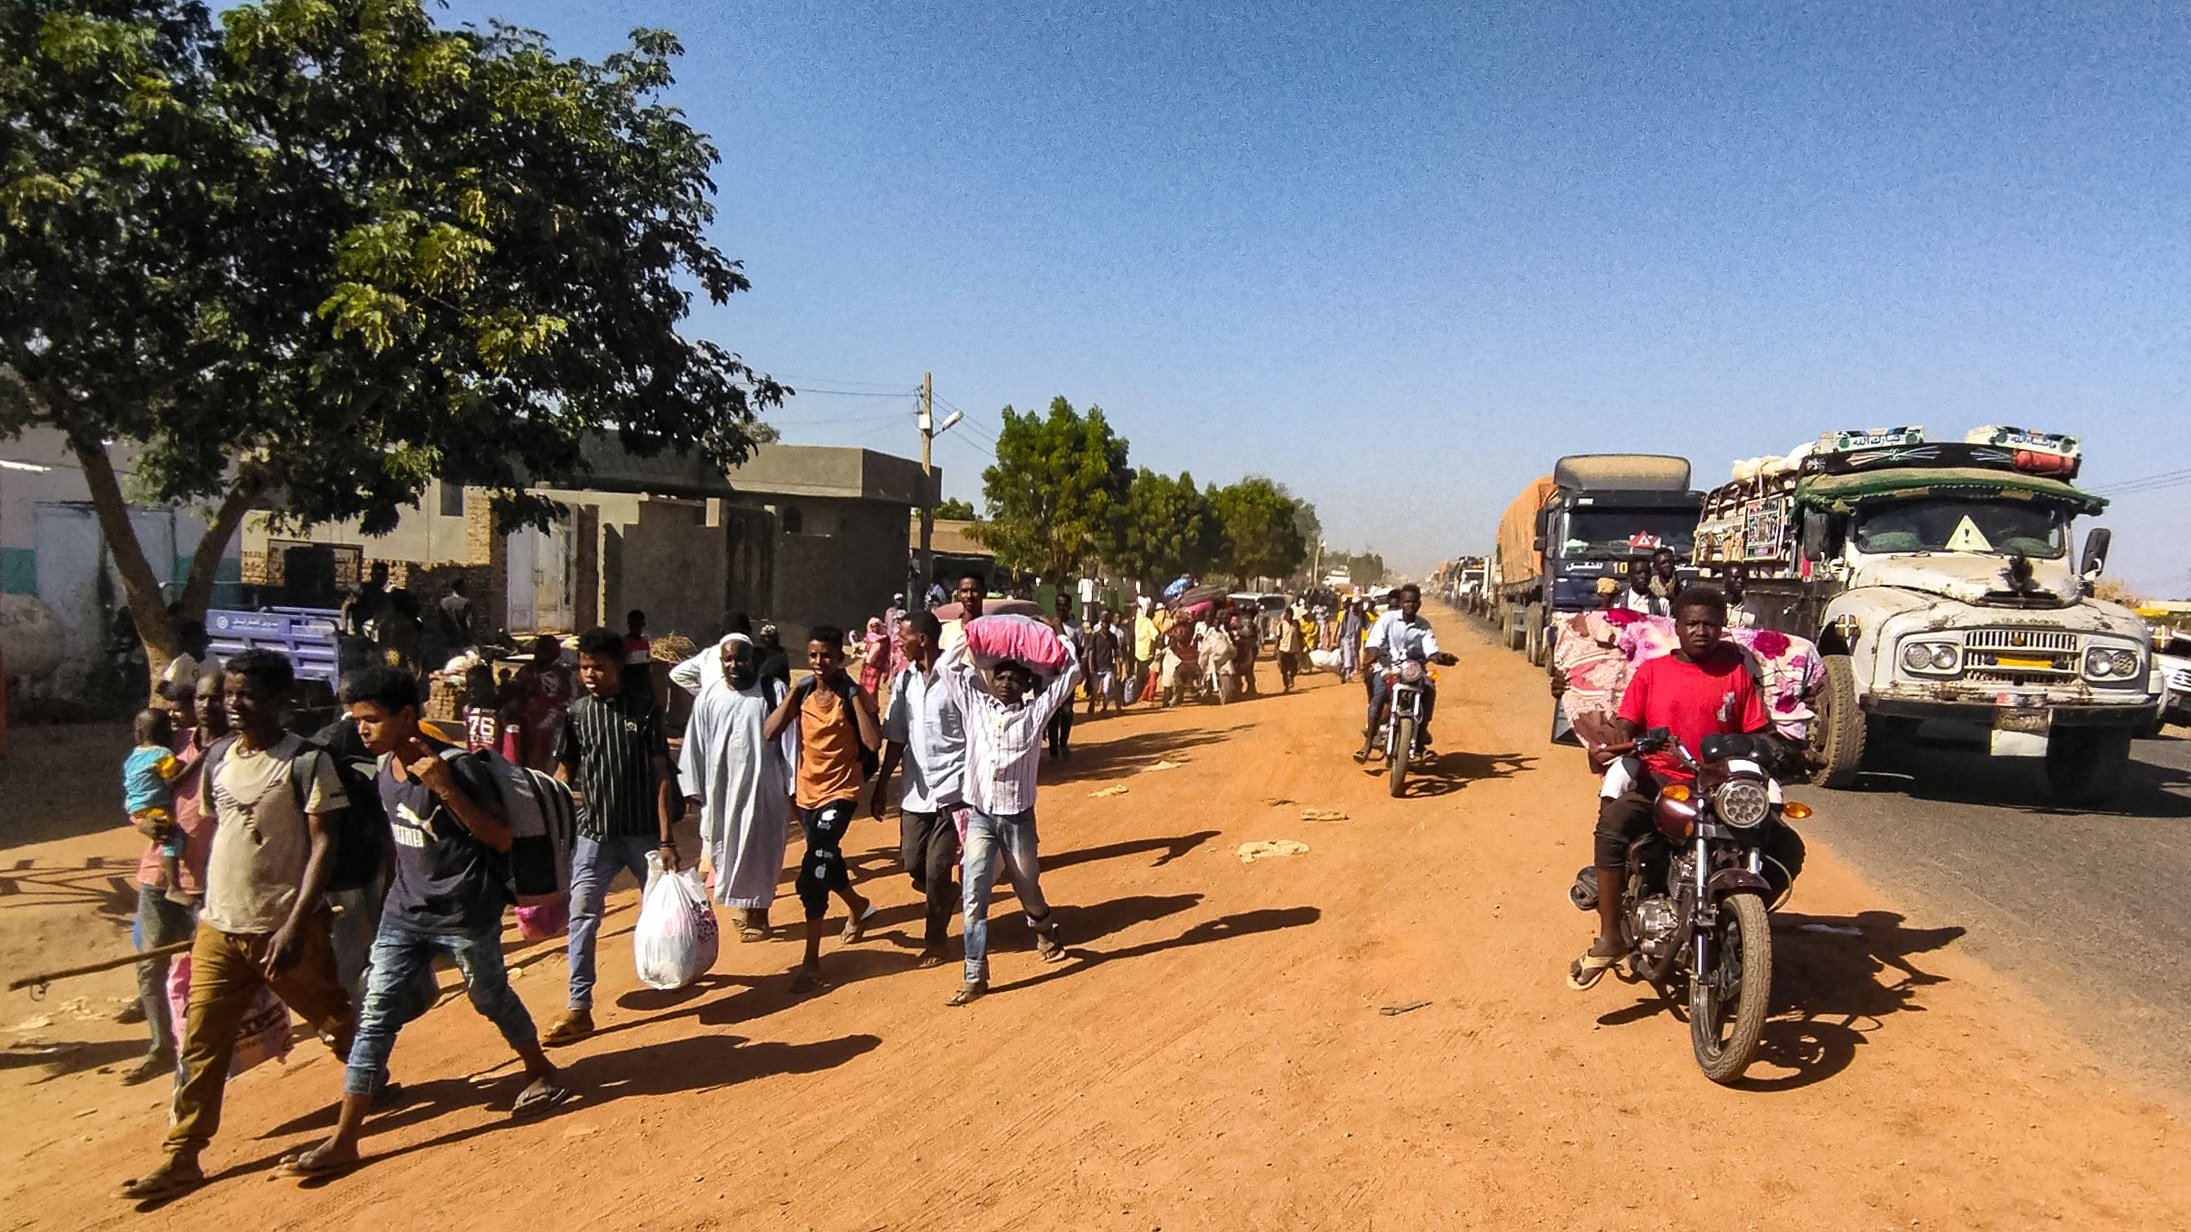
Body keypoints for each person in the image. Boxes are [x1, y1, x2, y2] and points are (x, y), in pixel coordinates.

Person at [278, 669, 569, 1178]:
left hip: (465, 913)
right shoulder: (382, 769)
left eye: (372, 719)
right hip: (403, 915)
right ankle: (345, 1140)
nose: (362, 729)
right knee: (375, 1016)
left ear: (407, 716)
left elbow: (501, 838)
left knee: (489, 997)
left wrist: (444, 788)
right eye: (357, 719)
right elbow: (398, 844)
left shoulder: (458, 768)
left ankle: (540, 1068)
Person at [116, 651, 356, 1204]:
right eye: (229, 694)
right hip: (219, 928)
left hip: (283, 928)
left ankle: (369, 1076)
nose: (234, 704)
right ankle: (182, 1155)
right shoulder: (219, 758)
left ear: (280, 701)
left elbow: (324, 844)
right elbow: (219, 833)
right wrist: (202, 905)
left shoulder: (307, 762)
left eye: (247, 695)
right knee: (201, 1043)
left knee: (333, 1017)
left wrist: (295, 924)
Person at [1568, 587, 1771, 991]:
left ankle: (1745, 930)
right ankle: (1610, 936)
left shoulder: (1736, 673)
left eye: (1710, 624)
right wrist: (1621, 737)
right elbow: (1627, 722)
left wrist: (1772, 748)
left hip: (1720, 786)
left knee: (1782, 843)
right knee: (1613, 825)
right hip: (1662, 780)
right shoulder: (1652, 672)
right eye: (1692, 623)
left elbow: (1757, 729)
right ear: (1676, 627)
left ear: (1722, 628)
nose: (1701, 631)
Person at [542, 628, 679, 1046]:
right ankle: (578, 1006)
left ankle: (676, 969)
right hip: (594, 836)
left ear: (617, 667)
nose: (590, 675)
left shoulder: (644, 711)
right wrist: (548, 820)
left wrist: (666, 840)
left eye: (598, 667)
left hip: (643, 836)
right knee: (582, 915)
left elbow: (661, 776)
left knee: (663, 912)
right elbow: (564, 773)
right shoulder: (577, 714)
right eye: (584, 667)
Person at [935, 630, 1078, 1005]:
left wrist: (1055, 640)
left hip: (1018, 821)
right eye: (1001, 676)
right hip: (981, 818)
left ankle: (1043, 925)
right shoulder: (975, 706)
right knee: (973, 893)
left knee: (1027, 885)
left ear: (1026, 684)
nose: (1006, 684)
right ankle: (974, 974)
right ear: (991, 679)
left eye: (1015, 679)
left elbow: (1072, 674)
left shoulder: (1035, 714)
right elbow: (945, 667)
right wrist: (970, 636)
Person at [763, 625, 882, 992]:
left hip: (840, 794)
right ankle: (859, 906)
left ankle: (811, 963)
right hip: (806, 796)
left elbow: (872, 743)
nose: (819, 662)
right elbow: (769, 732)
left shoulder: (852, 694)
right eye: (813, 655)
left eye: (827, 655)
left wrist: (854, 696)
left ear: (840, 658)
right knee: (826, 856)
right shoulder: (802, 694)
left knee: (813, 871)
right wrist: (793, 695)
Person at [122, 672, 227, 1086]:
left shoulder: (240, 750)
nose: (207, 706)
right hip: (159, 875)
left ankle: (207, 1047)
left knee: (209, 971)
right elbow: (138, 792)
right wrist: (142, 822)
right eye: (201, 698)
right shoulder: (170, 743)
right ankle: (160, 1046)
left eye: (216, 698)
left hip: (215, 881)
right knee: (151, 964)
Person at [678, 633, 791, 943]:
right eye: (727, 660)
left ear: (753, 660)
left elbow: (791, 740)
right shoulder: (709, 696)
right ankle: (746, 906)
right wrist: (693, 788)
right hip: (722, 791)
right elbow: (696, 745)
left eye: (740, 659)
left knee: (760, 849)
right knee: (726, 848)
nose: (734, 665)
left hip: (763, 788)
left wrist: (791, 786)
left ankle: (760, 915)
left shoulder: (772, 691)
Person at [872, 611, 967, 969]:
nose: (899, 642)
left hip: (954, 789)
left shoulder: (958, 677)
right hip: (916, 790)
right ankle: (945, 894)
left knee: (937, 868)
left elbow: (976, 730)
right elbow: (897, 738)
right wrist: (882, 785)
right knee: (913, 862)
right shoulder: (904, 681)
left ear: (923, 639)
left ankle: (935, 939)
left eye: (904, 636)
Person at [1354, 584, 1457, 761]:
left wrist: (1441, 657)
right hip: (1387, 668)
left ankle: (1421, 741)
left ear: (1419, 604)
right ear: (1401, 603)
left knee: (1429, 689)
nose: (1410, 605)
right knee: (1379, 697)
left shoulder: (1424, 626)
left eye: (1414, 602)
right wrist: (1375, 656)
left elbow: (1431, 650)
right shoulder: (1387, 620)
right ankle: (1368, 745)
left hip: (1413, 669)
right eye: (1407, 601)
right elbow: (1373, 644)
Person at [124, 708, 191, 908]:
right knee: (172, 839)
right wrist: (192, 763)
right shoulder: (162, 754)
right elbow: (172, 777)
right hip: (153, 807)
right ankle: (174, 886)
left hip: (134, 804)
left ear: (139, 733)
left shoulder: (134, 755)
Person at [499, 635, 574, 773]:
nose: (539, 654)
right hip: (527, 723)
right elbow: (513, 691)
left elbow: (567, 700)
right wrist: (505, 683)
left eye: (544, 650)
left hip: (551, 724)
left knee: (545, 762)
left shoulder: (563, 674)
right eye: (539, 649)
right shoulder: (528, 670)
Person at [1045, 592, 1081, 758]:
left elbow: (1081, 651)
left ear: (1070, 607)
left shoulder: (1076, 628)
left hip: (1068, 676)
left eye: (1065, 605)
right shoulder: (1048, 627)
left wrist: (1083, 674)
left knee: (1067, 712)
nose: (1062, 608)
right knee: (1052, 713)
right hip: (1051, 676)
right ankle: (1053, 748)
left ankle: (1063, 743)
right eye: (1059, 605)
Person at [156, 621, 220, 707]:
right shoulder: (181, 662)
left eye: (197, 642)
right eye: (192, 643)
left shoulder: (212, 661)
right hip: (184, 706)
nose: (195, 646)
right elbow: (165, 689)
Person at [1084, 607, 1118, 714]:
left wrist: (1118, 666)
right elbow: (1091, 652)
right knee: (1094, 690)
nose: (1106, 625)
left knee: (1107, 689)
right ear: (1101, 623)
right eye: (1104, 622)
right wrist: (1090, 666)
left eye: (1108, 622)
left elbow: (1117, 652)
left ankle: (1104, 707)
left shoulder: (1113, 637)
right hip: (1096, 667)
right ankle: (1092, 704)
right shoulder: (1095, 636)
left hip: (1108, 667)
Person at [622, 610, 655, 707]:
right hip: (629, 686)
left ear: (643, 625)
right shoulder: (624, 642)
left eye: (637, 625)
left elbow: (647, 664)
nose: (634, 628)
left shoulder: (645, 642)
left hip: (643, 685)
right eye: (631, 625)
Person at [858, 615, 894, 699]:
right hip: (874, 668)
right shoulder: (882, 639)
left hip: (872, 668)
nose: (875, 629)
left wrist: (865, 656)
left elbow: (870, 659)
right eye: (872, 626)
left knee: (869, 689)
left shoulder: (879, 641)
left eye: (876, 626)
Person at [436, 578, 474, 651]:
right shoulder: (466, 602)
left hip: (448, 640)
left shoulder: (443, 602)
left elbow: (440, 622)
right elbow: (469, 623)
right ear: (460, 588)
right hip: (463, 640)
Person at [1719, 562, 1761, 629]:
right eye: (1736, 577)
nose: (1740, 581)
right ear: (1724, 579)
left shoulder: (1752, 610)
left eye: (1743, 578)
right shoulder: (1714, 606)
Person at [1275, 604, 1304, 691]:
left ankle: (1291, 677)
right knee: (1283, 670)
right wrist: (1276, 650)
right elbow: (1278, 638)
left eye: (1288, 614)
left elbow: (1300, 636)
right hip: (1283, 650)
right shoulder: (1281, 625)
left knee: (1294, 668)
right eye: (1285, 614)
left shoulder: (1296, 624)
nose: (1286, 616)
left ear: (1291, 615)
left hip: (1294, 650)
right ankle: (1286, 686)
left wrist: (1302, 647)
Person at [1338, 598, 1366, 682]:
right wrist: (1339, 639)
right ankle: (1347, 675)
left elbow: (1365, 626)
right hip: (1347, 639)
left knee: (1353, 657)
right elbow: (1342, 628)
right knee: (1347, 656)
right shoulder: (1347, 614)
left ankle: (1346, 674)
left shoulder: (1361, 615)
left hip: (1356, 639)